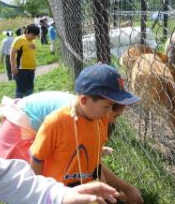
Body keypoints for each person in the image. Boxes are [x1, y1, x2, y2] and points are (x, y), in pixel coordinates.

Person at [30, 64, 144, 204]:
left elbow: (96, 162)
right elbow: (37, 159)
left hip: (88, 192)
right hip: (62, 196)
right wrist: (37, 196)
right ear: (84, 100)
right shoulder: (55, 123)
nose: (109, 113)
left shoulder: (99, 120)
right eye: (107, 107)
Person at [0, 111, 120, 204]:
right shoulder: (62, 120)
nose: (120, 113)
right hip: (16, 133)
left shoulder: (92, 117)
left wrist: (59, 195)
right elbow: (37, 155)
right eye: (109, 107)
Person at [0, 91, 125, 163]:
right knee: (34, 180)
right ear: (107, 108)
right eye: (116, 116)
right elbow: (89, 162)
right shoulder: (72, 117)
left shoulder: (86, 108)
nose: (113, 121)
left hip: (20, 122)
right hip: (16, 135)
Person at [11, 24, 40, 98]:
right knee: (21, 90)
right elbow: (12, 53)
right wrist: (13, 66)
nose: (34, 37)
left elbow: (31, 53)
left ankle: (29, 105)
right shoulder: (19, 40)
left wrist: (34, 65)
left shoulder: (32, 41)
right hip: (21, 69)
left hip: (31, 69)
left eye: (35, 36)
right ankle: (17, 105)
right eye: (33, 35)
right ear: (27, 32)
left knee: (30, 89)